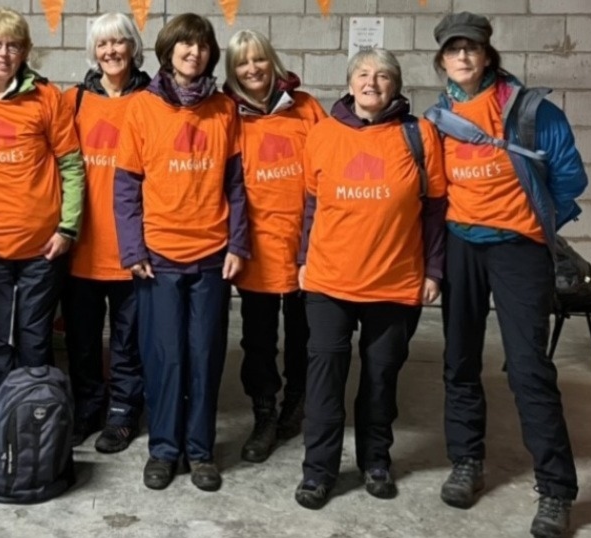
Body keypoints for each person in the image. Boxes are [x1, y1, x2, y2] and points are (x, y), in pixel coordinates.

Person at [428, 13, 587, 538]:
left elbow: (569, 176)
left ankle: (556, 488)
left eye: (472, 48)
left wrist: (537, 222)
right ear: (442, 61)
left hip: (520, 250)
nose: (464, 58)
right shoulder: (440, 117)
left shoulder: (529, 110)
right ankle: (467, 461)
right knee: (460, 360)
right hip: (462, 247)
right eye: (454, 51)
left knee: (527, 369)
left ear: (487, 54)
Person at [294, 48, 446, 509]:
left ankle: (375, 460)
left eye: (383, 76)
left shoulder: (419, 135)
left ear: (396, 85)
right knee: (324, 379)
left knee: (380, 377)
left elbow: (436, 209)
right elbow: (311, 206)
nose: (372, 83)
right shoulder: (323, 134)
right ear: (349, 82)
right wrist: (302, 258)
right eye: (363, 74)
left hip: (395, 282)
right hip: (328, 280)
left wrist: (434, 269)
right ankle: (318, 471)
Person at [114, 13, 249, 492]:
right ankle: (164, 450)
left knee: (205, 355)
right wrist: (131, 248)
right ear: (168, 51)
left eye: (203, 46)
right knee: (165, 356)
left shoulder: (224, 109)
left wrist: (237, 242)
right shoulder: (141, 109)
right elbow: (126, 186)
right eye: (185, 46)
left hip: (211, 255)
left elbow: (236, 184)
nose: (194, 54)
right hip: (159, 258)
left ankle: (200, 450)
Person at [0, 7, 85, 427]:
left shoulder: (48, 98)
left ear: (25, 51)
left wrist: (68, 227)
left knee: (34, 338)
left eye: (12, 45)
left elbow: (72, 166)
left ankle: (34, 417)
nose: (3, 53)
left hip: (43, 249)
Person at [222, 29, 326, 463]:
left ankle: (296, 406)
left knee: (305, 335)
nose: (252, 69)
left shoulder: (307, 110)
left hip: (305, 246)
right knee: (259, 340)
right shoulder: (228, 114)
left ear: (272, 61)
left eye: (259, 60)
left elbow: (327, 176)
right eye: (242, 63)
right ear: (233, 71)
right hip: (256, 249)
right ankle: (264, 413)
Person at [60, 12, 150, 453]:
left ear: (133, 46)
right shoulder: (73, 101)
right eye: (102, 45)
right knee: (82, 340)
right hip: (83, 246)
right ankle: (88, 408)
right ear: (93, 52)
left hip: (134, 246)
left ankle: (123, 411)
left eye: (119, 42)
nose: (111, 51)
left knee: (128, 340)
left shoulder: (153, 99)